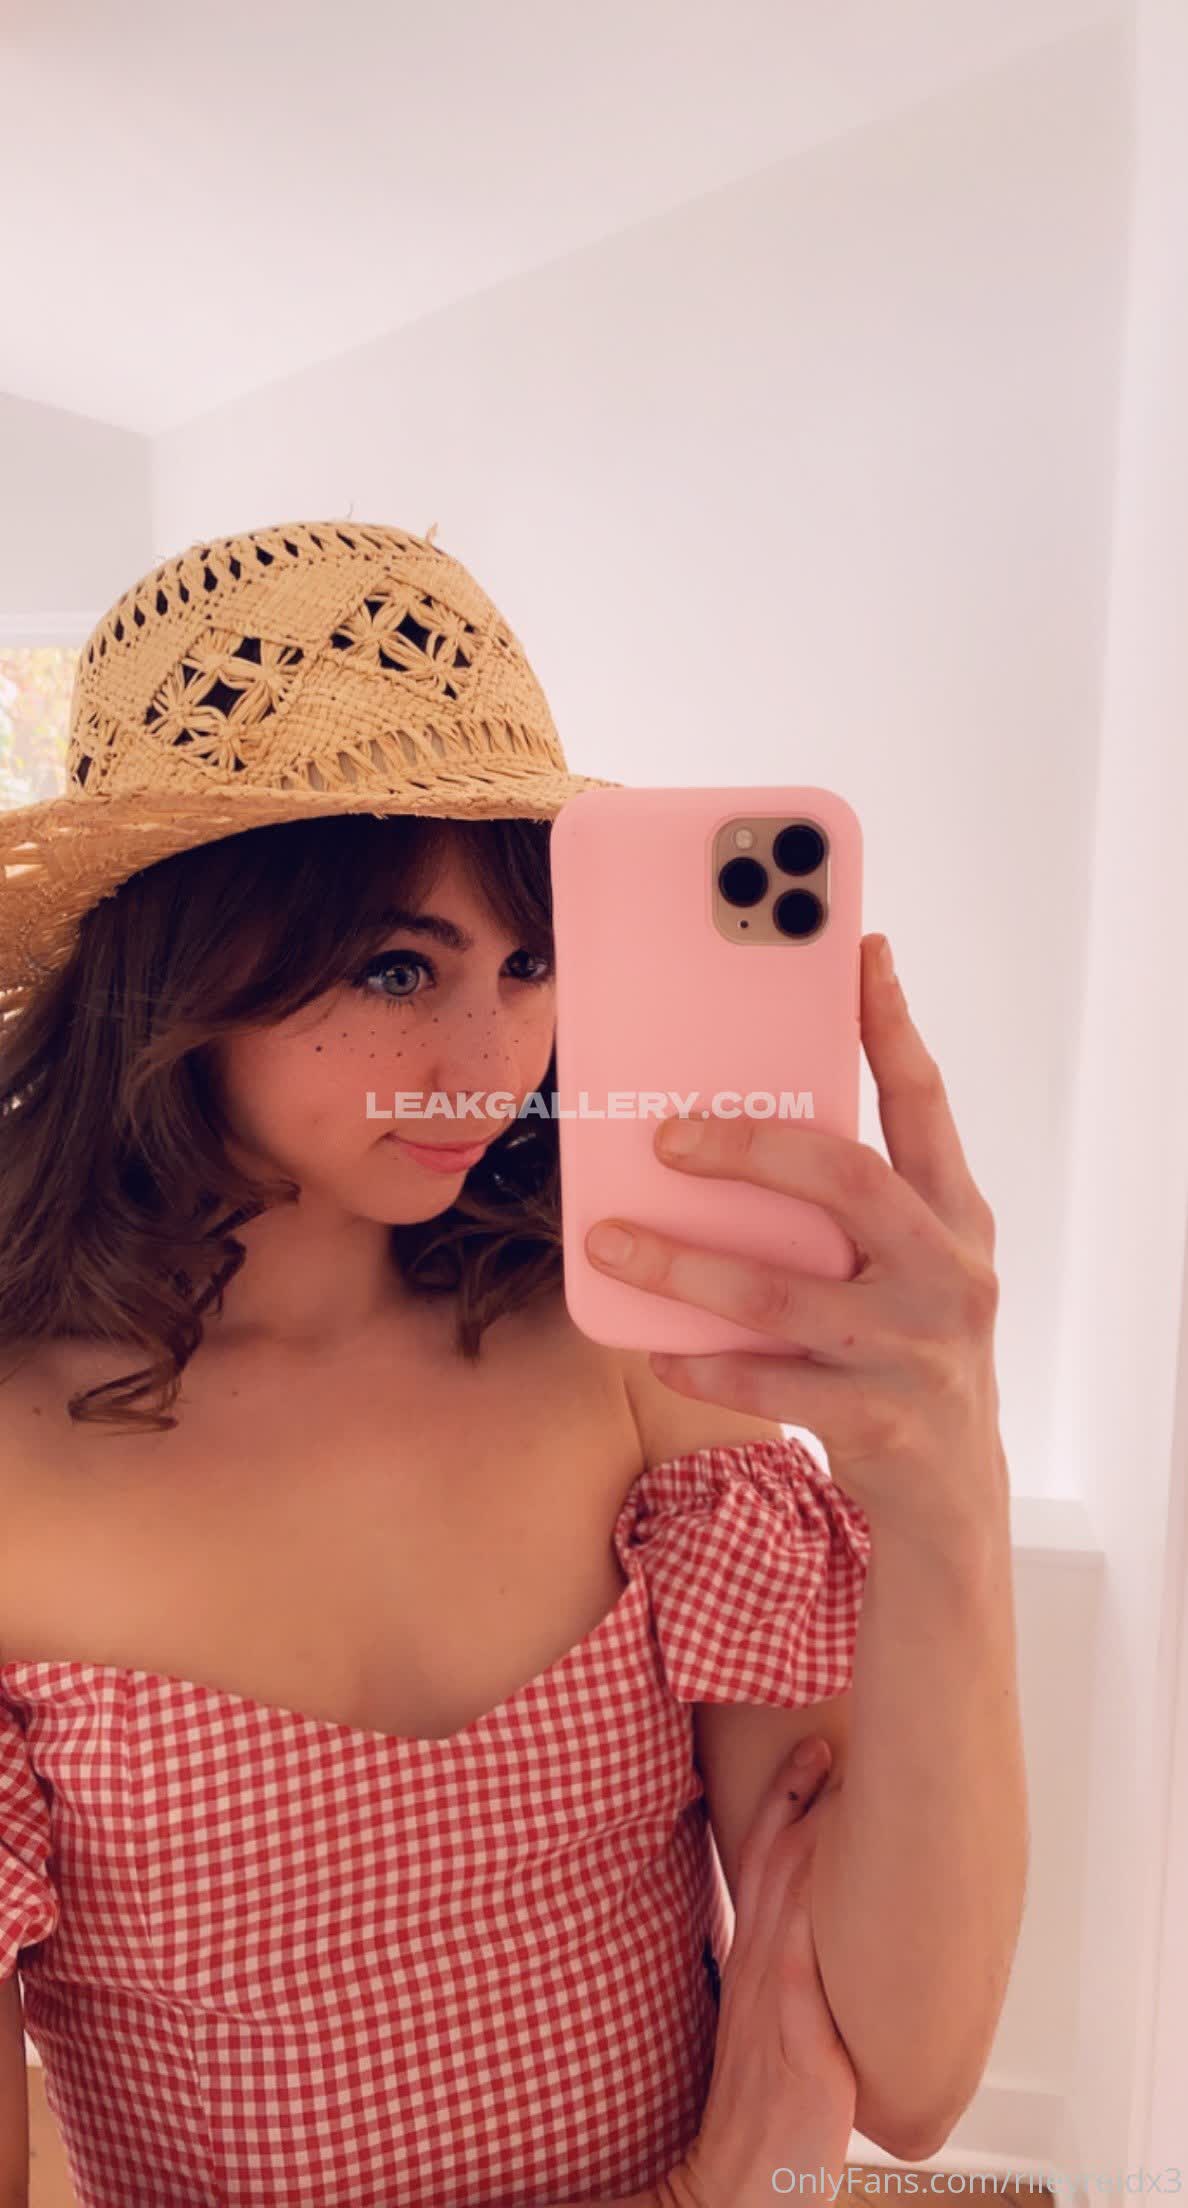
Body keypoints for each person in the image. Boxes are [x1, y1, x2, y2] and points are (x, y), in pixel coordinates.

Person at [0, 517, 870, 2207]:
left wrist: (951, 1465)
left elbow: (903, 2066)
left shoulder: (626, 1353)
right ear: (181, 968)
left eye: (530, 964)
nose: (491, 1062)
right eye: (398, 966)